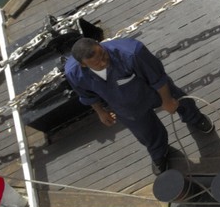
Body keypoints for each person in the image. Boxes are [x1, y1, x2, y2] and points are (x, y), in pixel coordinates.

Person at [64, 37, 212, 174]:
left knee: (181, 102)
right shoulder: (73, 74)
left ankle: (195, 118)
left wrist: (167, 101)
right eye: (97, 63)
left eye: (103, 55)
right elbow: (87, 95)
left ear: (100, 46)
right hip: (125, 106)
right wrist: (101, 112)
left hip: (152, 90)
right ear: (83, 65)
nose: (104, 62)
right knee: (146, 133)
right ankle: (159, 152)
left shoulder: (133, 52)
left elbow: (158, 77)